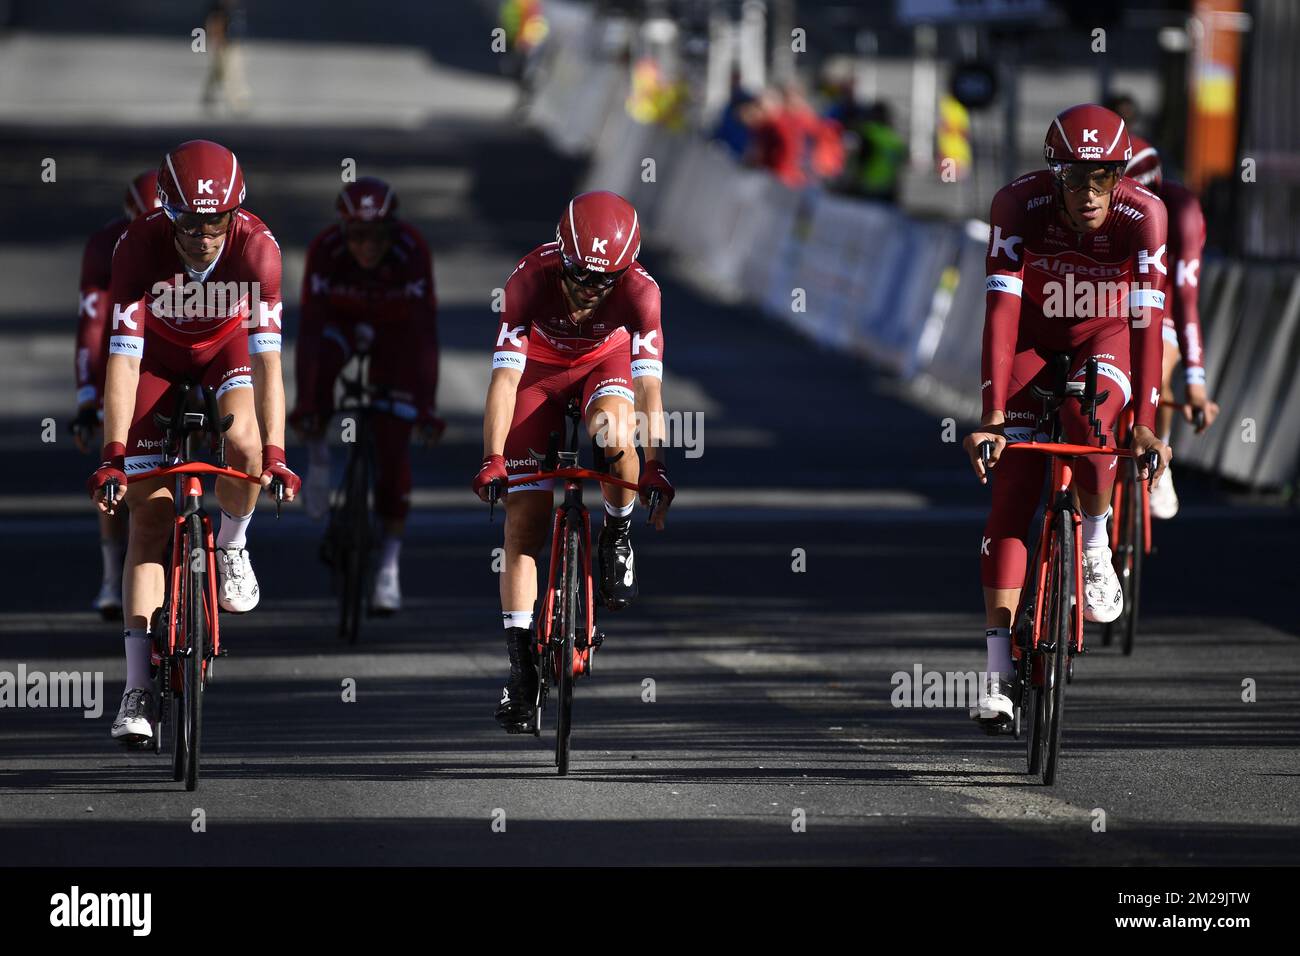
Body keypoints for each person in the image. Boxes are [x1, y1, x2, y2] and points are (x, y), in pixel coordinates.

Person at [961, 105, 1172, 728]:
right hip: (1030, 343)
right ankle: (998, 671)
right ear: (1054, 176)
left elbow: (1148, 323)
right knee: (1012, 495)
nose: (1088, 194)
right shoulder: (1017, 205)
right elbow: (998, 315)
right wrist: (993, 416)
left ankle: (1097, 540)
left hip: (1103, 341)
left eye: (1103, 178)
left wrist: (1145, 420)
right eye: (1076, 179)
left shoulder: (1144, 216)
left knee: (1094, 427)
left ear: (1120, 176)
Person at [88, 139, 299, 744]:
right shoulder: (137, 246)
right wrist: (113, 458)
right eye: (189, 223)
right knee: (148, 522)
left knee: (248, 449)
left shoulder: (259, 251)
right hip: (156, 360)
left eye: (216, 223)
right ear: (166, 212)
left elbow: (268, 369)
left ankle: (233, 544)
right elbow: (123, 365)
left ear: (234, 215)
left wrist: (278, 457)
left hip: (224, 355)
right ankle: (134, 688)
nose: (204, 236)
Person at [472, 191, 675, 733]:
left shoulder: (641, 293)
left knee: (614, 432)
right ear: (560, 257)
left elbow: (650, 389)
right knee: (523, 525)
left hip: (601, 363)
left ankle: (618, 529)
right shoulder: (527, 280)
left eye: (601, 282)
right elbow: (505, 380)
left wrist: (655, 463)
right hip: (537, 371)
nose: (588, 291)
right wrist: (493, 457)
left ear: (625, 273)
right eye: (578, 276)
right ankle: (521, 672)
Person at [290, 177, 443, 612]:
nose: (367, 247)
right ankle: (319, 456)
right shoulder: (326, 250)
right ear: (342, 233)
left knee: (394, 454)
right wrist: (308, 406)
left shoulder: (412, 251)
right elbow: (310, 331)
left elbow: (424, 334)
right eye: (357, 236)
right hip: (338, 326)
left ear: (393, 231)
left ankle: (389, 569)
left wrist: (426, 407)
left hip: (395, 336)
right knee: (322, 360)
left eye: (377, 236)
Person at [72, 170, 162, 618]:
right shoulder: (106, 247)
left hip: (180, 349)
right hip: (125, 350)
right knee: (115, 461)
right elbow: (93, 328)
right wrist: (88, 399)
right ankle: (112, 574)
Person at [1125, 136, 1220, 517]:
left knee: (1157, 369)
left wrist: (1195, 382)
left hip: (1162, 301)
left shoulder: (1183, 213)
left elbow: (1185, 298)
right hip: (1113, 296)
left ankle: (1157, 452)